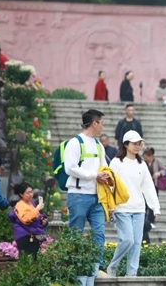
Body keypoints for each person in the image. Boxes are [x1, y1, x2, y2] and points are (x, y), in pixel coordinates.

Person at [107, 131, 160, 277]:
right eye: (134, 143)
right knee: (127, 239)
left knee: (137, 243)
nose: (138, 146)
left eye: (139, 143)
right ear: (126, 144)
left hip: (139, 208)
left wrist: (155, 206)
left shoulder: (141, 164)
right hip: (122, 207)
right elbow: (110, 185)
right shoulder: (116, 163)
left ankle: (132, 274)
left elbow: (148, 186)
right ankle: (114, 265)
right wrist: (110, 205)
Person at [64, 109, 108, 275]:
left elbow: (104, 167)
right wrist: (94, 175)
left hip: (97, 197)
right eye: (102, 123)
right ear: (94, 123)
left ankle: (98, 267)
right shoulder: (75, 143)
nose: (102, 127)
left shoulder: (98, 145)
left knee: (99, 233)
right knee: (76, 232)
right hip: (78, 195)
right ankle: (72, 268)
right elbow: (70, 168)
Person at [8, 182, 47, 260]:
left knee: (33, 261)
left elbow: (36, 218)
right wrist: (37, 209)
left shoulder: (31, 203)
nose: (31, 194)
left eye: (31, 192)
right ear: (21, 194)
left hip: (33, 236)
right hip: (24, 236)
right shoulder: (20, 205)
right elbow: (26, 219)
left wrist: (43, 221)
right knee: (27, 262)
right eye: (28, 193)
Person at [142, 147, 165, 243]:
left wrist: (158, 173)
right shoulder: (142, 163)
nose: (145, 158)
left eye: (146, 156)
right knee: (144, 203)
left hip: (154, 186)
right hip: (144, 186)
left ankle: (151, 220)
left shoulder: (157, 162)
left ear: (150, 156)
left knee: (152, 202)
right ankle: (144, 220)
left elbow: (164, 170)